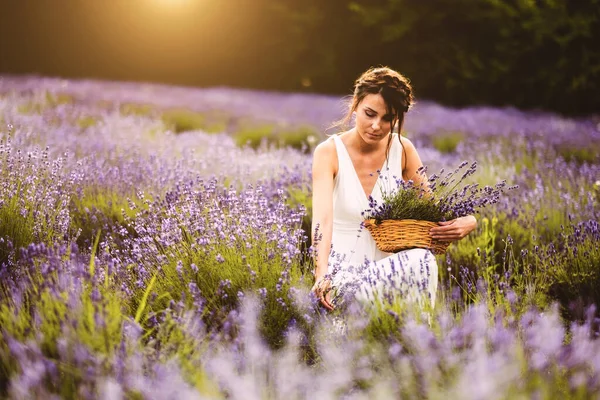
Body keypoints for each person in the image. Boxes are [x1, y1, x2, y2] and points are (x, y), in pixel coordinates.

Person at [310, 66, 477, 311]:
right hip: (342, 274)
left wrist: (469, 221)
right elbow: (321, 222)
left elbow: (431, 214)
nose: (376, 125)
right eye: (369, 113)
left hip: (388, 272)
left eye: (388, 118)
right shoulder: (329, 152)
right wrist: (321, 274)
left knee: (423, 260)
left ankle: (417, 343)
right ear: (355, 105)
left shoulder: (403, 150)